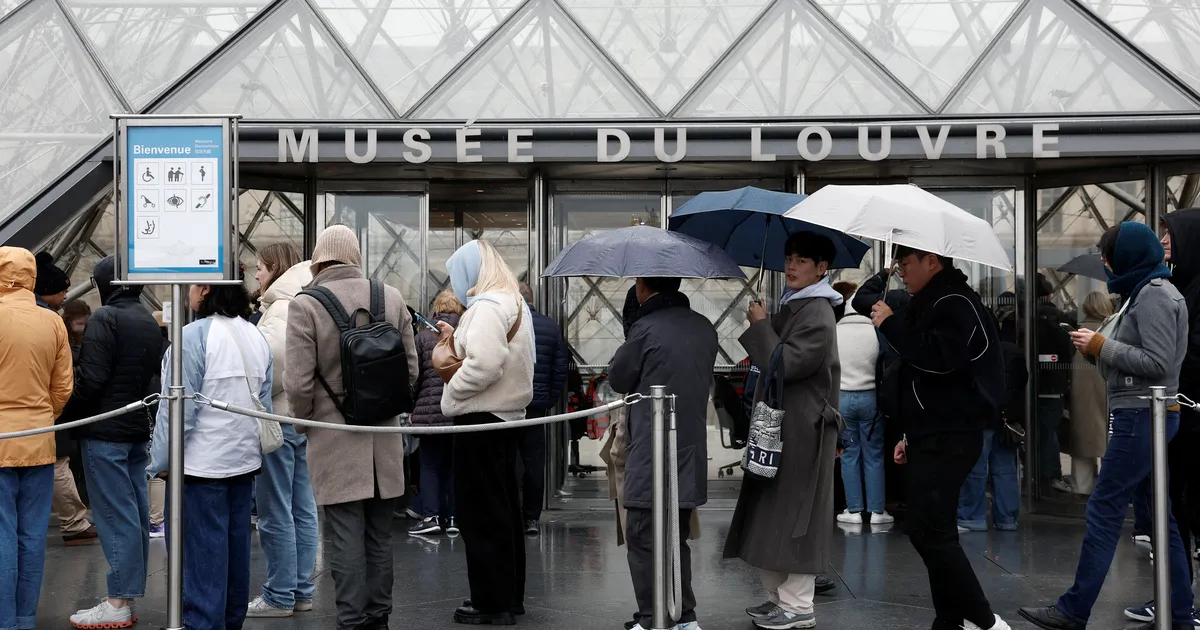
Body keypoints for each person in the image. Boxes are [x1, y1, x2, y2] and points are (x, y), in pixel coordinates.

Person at [1019, 222, 1194, 630]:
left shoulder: (1152, 295)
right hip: (1147, 414)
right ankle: (1179, 612)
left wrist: (1101, 346)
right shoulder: (1150, 291)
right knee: (1160, 517)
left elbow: (1158, 363)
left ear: (1129, 254)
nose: (1104, 260)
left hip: (1140, 414)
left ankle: (1074, 609)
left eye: (1108, 252)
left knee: (1104, 508)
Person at [871, 245, 1011, 630]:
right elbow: (919, 376)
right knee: (932, 530)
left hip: (953, 431)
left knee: (928, 530)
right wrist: (909, 432)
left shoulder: (954, 302)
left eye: (906, 263)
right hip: (932, 430)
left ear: (932, 262)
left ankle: (984, 620)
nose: (900, 271)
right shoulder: (934, 301)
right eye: (897, 264)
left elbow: (940, 359)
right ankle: (950, 619)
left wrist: (890, 324)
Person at [286, 225, 418, 630]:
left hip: (333, 437)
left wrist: (308, 422)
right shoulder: (390, 297)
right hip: (385, 441)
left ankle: (351, 619)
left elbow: (297, 384)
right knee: (379, 537)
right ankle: (379, 617)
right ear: (355, 256)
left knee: (343, 536)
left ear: (319, 259)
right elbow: (411, 369)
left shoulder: (305, 305)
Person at [725, 232, 842, 630]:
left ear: (822, 268)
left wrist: (761, 326)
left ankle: (798, 606)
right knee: (774, 508)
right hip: (784, 425)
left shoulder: (818, 311)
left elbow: (787, 364)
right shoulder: (798, 306)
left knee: (796, 514)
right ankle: (779, 599)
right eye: (790, 258)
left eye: (802, 260)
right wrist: (766, 322)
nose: (791, 266)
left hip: (803, 428)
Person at [147, 282, 271, 630]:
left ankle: (203, 624)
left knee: (200, 562)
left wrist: (160, 463)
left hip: (199, 467)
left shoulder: (192, 338)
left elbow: (177, 415)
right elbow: (266, 404)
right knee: (234, 557)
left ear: (203, 290)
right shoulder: (255, 335)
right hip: (244, 461)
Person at [608, 275, 716, 630]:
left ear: (641, 286)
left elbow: (619, 377)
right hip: (689, 445)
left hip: (651, 445)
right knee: (675, 534)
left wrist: (632, 328)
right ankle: (683, 615)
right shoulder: (703, 327)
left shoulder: (646, 328)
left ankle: (653, 615)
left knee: (641, 530)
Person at [437, 239, 534, 626]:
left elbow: (486, 365)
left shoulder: (487, 307)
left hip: (481, 420)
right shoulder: (512, 303)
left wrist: (452, 391)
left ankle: (490, 602)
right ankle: (508, 596)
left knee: (480, 516)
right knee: (504, 511)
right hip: (505, 419)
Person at [69, 255, 166, 629]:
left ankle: (117, 601)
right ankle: (125, 593)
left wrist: (68, 410)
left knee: (113, 515)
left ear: (104, 284)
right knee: (136, 513)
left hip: (105, 430)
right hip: (135, 431)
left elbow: (92, 379)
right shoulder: (145, 319)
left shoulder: (104, 318)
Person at [0, 247, 74, 630]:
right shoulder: (53, 322)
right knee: (32, 536)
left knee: (2, 535)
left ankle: (4, 619)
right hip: (40, 441)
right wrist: (42, 415)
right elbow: (62, 388)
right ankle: (25, 618)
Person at [246, 243, 319, 618]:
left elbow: (270, 371)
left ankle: (279, 594)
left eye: (259, 267)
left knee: (276, 511)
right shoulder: (309, 299)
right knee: (303, 508)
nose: (256, 275)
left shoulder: (281, 308)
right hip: (305, 420)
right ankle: (302, 589)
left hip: (279, 420)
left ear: (275, 268)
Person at [33, 252, 98, 547]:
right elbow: (63, 381)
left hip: (15, 416)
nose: (66, 295)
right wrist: (54, 410)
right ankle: (74, 522)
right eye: (62, 290)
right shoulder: (47, 322)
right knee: (57, 463)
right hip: (42, 411)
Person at [1002, 274, 1074, 494]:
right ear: (1048, 295)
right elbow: (1067, 352)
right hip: (1051, 386)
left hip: (1020, 386)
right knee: (1048, 431)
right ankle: (1049, 475)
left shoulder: (1013, 319)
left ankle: (1029, 470)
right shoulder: (1058, 319)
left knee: (1023, 431)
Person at [1159, 208, 1200, 571]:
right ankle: (1176, 597)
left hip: (1193, 415)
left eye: (1171, 232)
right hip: (1181, 413)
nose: (1164, 239)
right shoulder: (1180, 284)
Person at [833, 281, 891, 526]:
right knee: (874, 455)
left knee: (849, 455)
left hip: (843, 397)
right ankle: (877, 511)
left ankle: (854, 510)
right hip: (871, 397)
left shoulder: (834, 330)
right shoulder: (875, 330)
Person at [409, 289, 464, 538]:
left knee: (429, 466)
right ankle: (454, 517)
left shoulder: (423, 337)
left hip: (428, 413)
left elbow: (415, 378)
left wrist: (413, 407)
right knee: (455, 466)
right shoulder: (465, 333)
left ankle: (431, 516)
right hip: (458, 411)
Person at [957, 332, 1025, 533]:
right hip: (1008, 420)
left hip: (982, 417)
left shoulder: (978, 350)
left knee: (976, 469)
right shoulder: (1014, 353)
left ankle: (971, 517)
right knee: (1005, 469)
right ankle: (1007, 519)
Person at [518, 282, 567, 536]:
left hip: (509, 405)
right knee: (534, 463)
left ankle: (511, 514)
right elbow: (561, 369)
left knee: (508, 461)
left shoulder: (509, 325)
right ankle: (531, 519)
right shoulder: (550, 326)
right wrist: (548, 399)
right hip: (537, 407)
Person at [1067, 292, 1113, 497]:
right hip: (1110, 395)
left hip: (1081, 398)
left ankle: (1081, 487)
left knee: (1082, 444)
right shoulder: (1114, 332)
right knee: (1111, 446)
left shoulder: (1074, 334)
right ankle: (1109, 491)